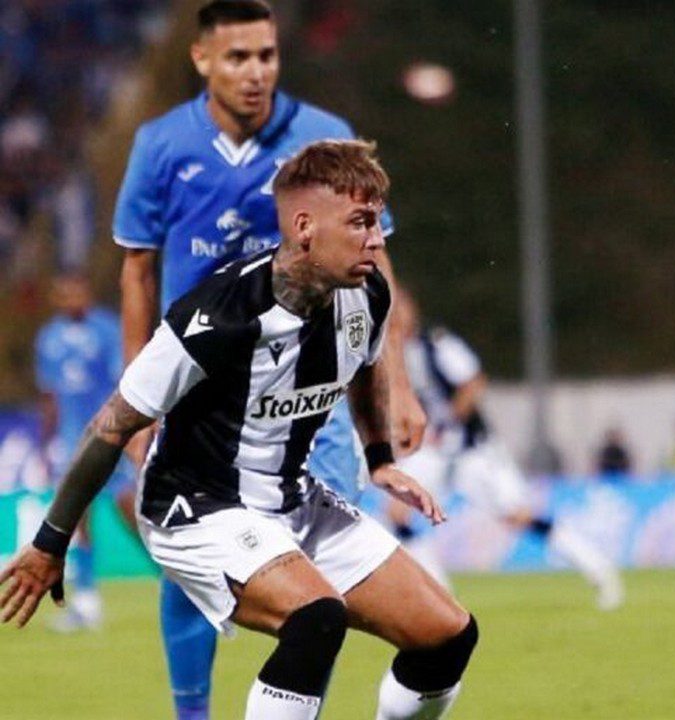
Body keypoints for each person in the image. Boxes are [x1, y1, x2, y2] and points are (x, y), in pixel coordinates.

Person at [1, 140, 478, 720]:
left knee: (448, 636)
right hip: (196, 506)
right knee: (315, 619)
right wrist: (49, 544)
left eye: (376, 222)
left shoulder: (368, 294)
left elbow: (366, 365)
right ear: (304, 227)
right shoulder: (219, 314)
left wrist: (379, 457)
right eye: (360, 222)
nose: (377, 240)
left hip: (291, 497)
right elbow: (111, 425)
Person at [111, 3, 426, 718]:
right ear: (202, 59)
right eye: (238, 57)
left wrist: (397, 387)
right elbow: (137, 271)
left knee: (323, 587)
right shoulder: (162, 145)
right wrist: (139, 399)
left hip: (314, 391)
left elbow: (377, 265)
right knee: (192, 561)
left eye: (267, 55)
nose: (256, 72)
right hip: (204, 393)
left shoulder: (322, 136)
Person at [390, 285, 625, 610]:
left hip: (472, 450)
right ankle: (441, 595)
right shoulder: (390, 355)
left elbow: (473, 384)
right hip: (432, 452)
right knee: (397, 511)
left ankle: (598, 568)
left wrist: (447, 422)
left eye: (401, 306)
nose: (396, 315)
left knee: (517, 515)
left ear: (413, 309)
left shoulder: (438, 343)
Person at [33, 274, 130, 631]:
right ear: (57, 298)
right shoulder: (48, 337)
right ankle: (87, 601)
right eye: (66, 293)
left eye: (78, 291)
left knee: (131, 507)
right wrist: (46, 441)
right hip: (72, 438)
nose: (73, 298)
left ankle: (178, 584)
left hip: (110, 434)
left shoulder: (107, 329)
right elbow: (49, 394)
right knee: (76, 518)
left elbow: (125, 382)